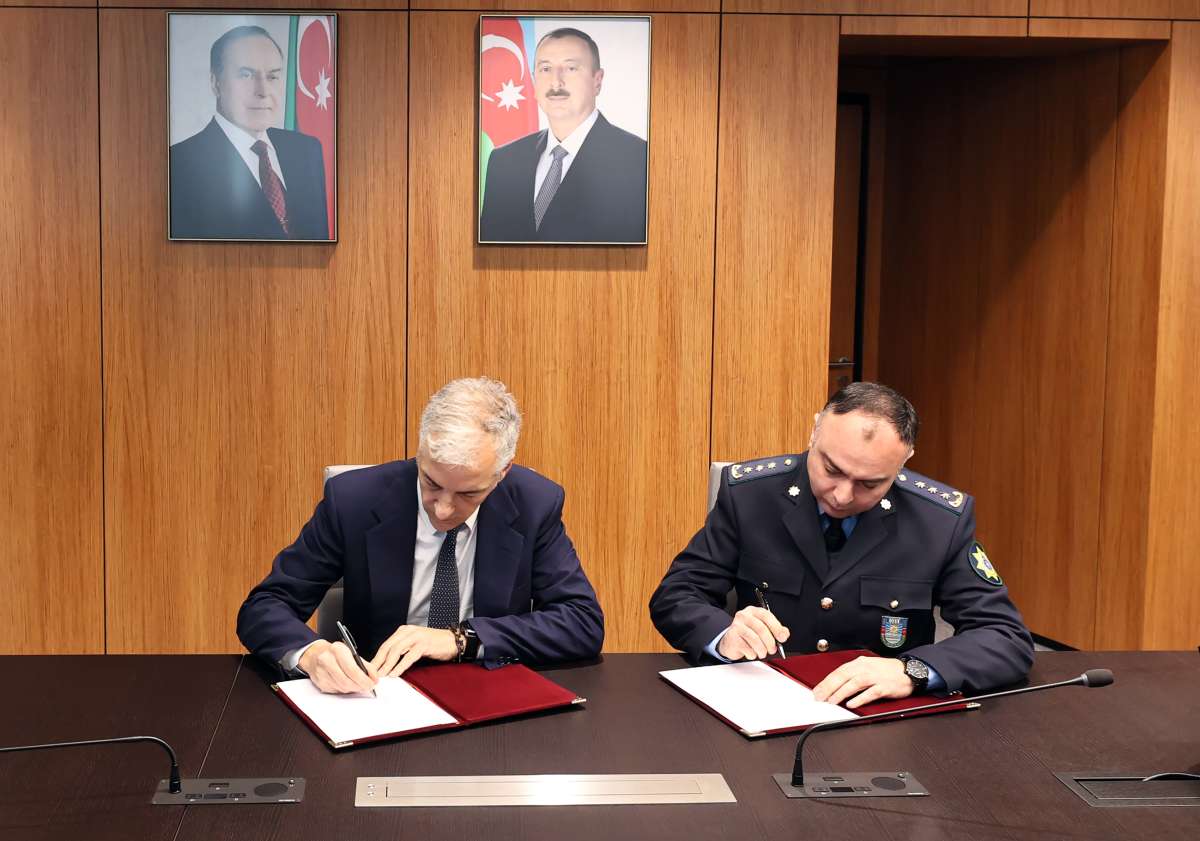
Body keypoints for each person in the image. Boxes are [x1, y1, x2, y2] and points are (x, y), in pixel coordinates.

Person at [649, 382, 1033, 707]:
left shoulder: (939, 521)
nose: (842, 495)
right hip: (764, 700)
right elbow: (677, 595)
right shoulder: (751, 495)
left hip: (878, 714)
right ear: (814, 432)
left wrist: (911, 670)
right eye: (831, 469)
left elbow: (1005, 637)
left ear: (904, 462)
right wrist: (724, 635)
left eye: (870, 483)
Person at [237, 377, 604, 694]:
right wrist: (312, 654)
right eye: (431, 482)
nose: (443, 509)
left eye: (468, 494)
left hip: (488, 697)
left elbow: (581, 622)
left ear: (502, 472)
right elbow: (265, 606)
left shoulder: (533, 504)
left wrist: (461, 639)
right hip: (377, 696)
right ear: (420, 451)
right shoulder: (353, 501)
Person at [478, 27, 648, 244]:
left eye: (570, 68)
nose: (556, 82)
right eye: (546, 69)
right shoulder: (504, 160)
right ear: (533, 81)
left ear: (597, 81)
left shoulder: (639, 159)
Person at [170, 25, 329, 240]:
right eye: (246, 75)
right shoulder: (178, 165)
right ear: (215, 83)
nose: (263, 92)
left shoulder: (307, 150)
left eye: (272, 77)